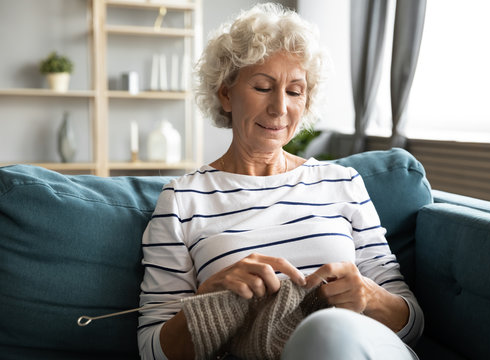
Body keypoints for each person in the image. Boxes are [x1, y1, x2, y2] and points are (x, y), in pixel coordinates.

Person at [137, 3, 423, 359]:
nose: (279, 108)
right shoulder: (183, 200)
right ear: (226, 94)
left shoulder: (342, 183)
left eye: (295, 91)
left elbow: (410, 323)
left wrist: (370, 296)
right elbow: (152, 350)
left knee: (327, 331)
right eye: (262, 87)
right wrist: (205, 299)